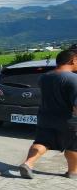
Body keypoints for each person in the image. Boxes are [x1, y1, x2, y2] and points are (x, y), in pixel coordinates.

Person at [19, 48, 77, 179]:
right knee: (73, 146)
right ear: (73, 60)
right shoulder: (74, 79)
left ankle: (28, 163)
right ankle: (73, 172)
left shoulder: (44, 77)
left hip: (45, 118)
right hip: (69, 121)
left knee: (43, 142)